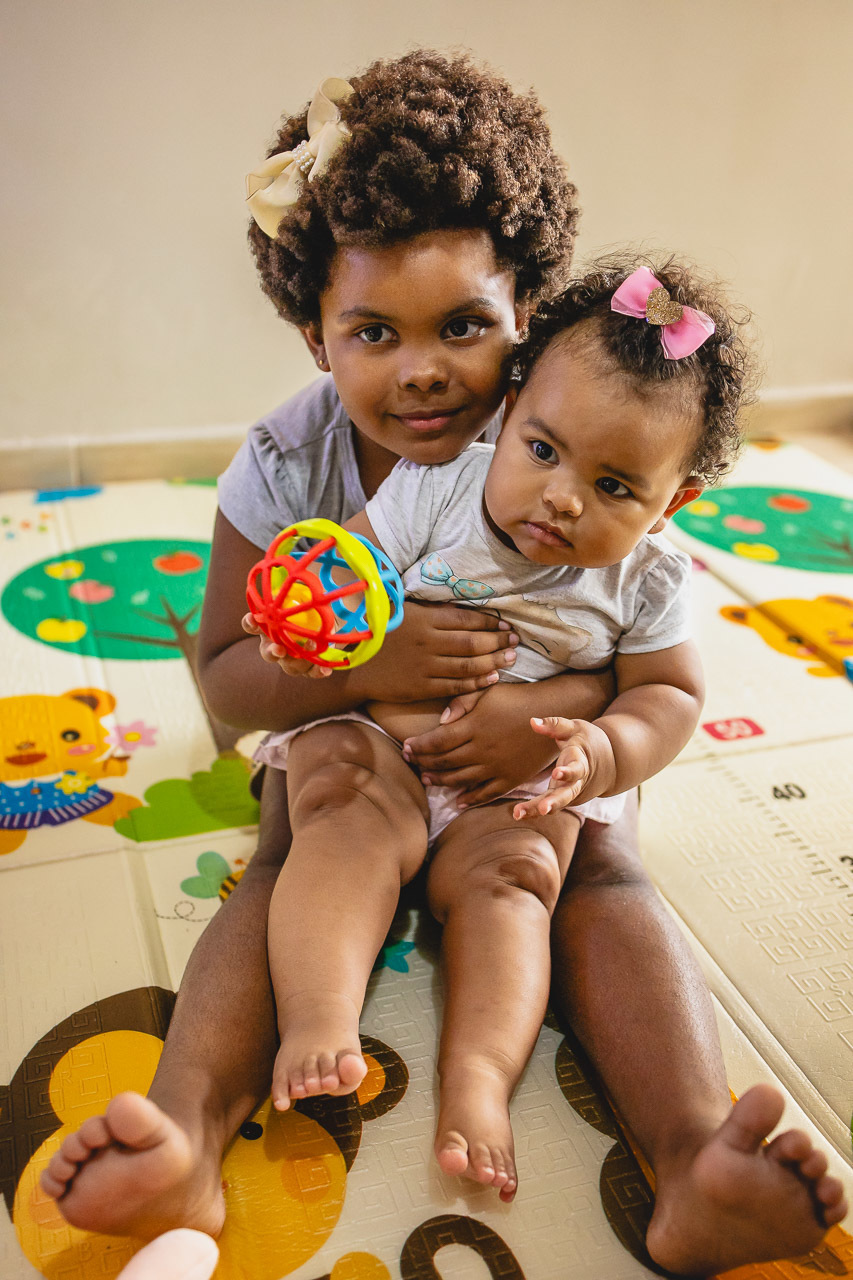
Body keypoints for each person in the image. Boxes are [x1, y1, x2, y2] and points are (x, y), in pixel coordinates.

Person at [40, 51, 846, 1276]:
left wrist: (561, 718)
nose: (421, 368)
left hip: (526, 784)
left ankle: (692, 1162)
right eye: (371, 330)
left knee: (607, 872)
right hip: (353, 756)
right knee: (286, 851)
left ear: (528, 312)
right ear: (313, 333)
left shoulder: (582, 428)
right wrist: (374, 663)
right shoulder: (290, 466)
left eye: (463, 325)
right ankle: (191, 1133)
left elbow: (653, 665)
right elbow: (224, 687)